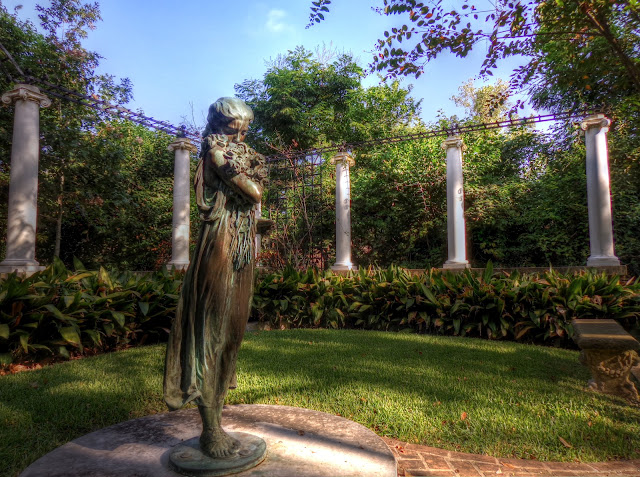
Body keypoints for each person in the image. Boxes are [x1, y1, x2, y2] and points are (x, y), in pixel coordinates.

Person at [164, 97, 267, 458]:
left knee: (232, 333)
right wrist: (251, 175)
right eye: (233, 129)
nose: (240, 135)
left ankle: (216, 418)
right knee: (212, 333)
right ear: (221, 127)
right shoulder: (216, 155)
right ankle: (210, 429)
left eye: (245, 128)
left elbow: (254, 198)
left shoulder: (235, 153)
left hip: (240, 248)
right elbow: (253, 192)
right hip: (220, 245)